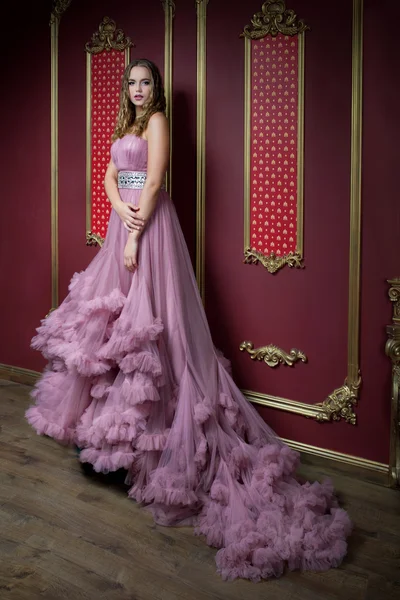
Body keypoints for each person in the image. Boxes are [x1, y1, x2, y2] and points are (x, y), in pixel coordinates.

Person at [26, 58, 351, 582]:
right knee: (113, 330)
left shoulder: (156, 122)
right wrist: (117, 210)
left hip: (149, 230)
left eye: (145, 82)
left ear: (156, 89)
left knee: (154, 328)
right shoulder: (126, 123)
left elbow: (153, 180)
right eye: (131, 82)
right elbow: (110, 174)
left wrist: (135, 232)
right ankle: (116, 443)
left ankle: (158, 443)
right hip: (123, 222)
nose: (136, 89)